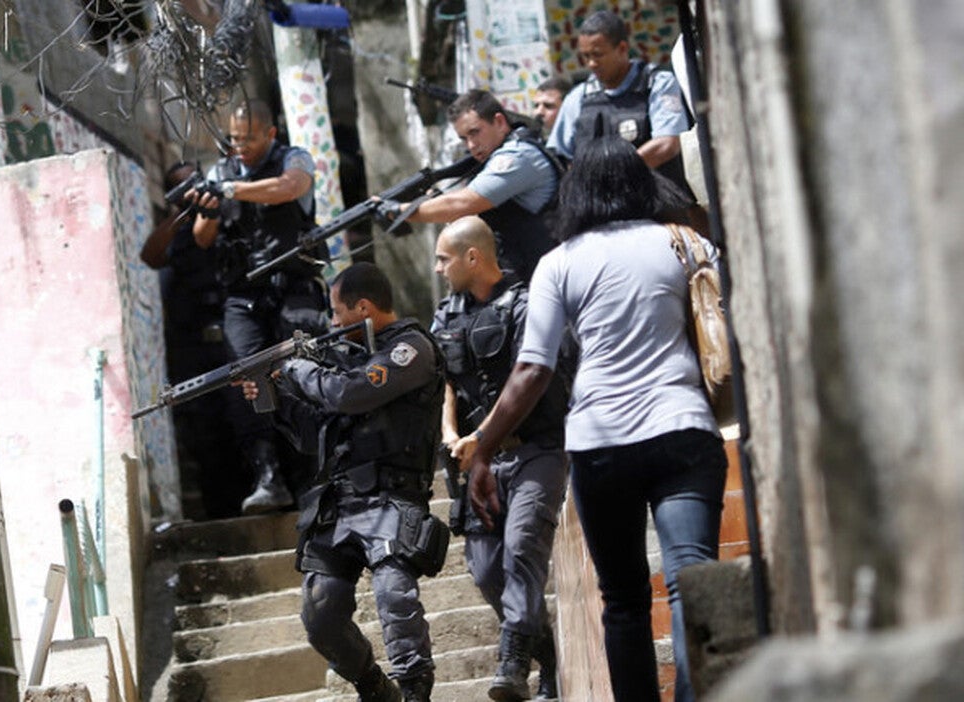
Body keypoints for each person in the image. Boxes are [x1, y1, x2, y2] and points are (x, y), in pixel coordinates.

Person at [454, 138, 725, 702]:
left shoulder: (559, 263)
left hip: (601, 447)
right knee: (691, 582)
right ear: (642, 186)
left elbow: (532, 370)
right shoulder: (686, 244)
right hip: (684, 429)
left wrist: (484, 446)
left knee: (623, 601)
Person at [240, 263, 447, 701]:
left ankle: (414, 691)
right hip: (342, 502)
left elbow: (351, 395)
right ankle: (374, 687)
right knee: (321, 613)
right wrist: (274, 400)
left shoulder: (411, 349)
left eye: (337, 314)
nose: (332, 324)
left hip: (393, 497)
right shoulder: (346, 357)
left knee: (394, 594)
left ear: (364, 308)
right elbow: (319, 430)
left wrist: (295, 369)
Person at [430, 216, 570, 702]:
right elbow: (443, 381)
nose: (437, 268)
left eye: (444, 258)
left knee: (523, 546)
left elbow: (525, 380)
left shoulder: (526, 305)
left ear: (473, 257)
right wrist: (453, 434)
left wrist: (481, 435)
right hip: (476, 462)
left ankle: (512, 662)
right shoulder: (445, 315)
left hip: (535, 449)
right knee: (487, 570)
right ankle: (546, 653)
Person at [192, 99, 328, 514]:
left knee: (303, 377)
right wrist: (210, 208)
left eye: (248, 139)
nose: (239, 147)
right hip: (242, 293)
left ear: (269, 134)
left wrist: (231, 190)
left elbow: (289, 188)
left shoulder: (294, 159)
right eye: (233, 139)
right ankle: (268, 476)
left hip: (294, 288)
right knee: (244, 381)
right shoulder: (221, 171)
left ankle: (316, 477)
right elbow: (202, 237)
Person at [139, 161, 246, 519]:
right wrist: (185, 212)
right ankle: (221, 515)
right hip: (194, 348)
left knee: (243, 423)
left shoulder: (227, 215)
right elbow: (150, 254)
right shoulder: (177, 232)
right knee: (205, 435)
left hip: (231, 338)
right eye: (182, 187)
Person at [380, 89, 564, 283]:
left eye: (475, 132)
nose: (471, 145)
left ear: (500, 122)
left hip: (541, 281)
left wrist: (398, 211)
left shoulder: (517, 156)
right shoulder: (494, 156)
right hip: (520, 278)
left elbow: (463, 203)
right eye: (464, 138)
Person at [547, 10, 694, 196]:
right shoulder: (579, 97)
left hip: (656, 203)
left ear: (622, 48)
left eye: (597, 54)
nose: (591, 63)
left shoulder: (657, 83)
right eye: (585, 56)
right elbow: (561, 156)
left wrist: (612, 177)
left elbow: (667, 144)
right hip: (599, 210)